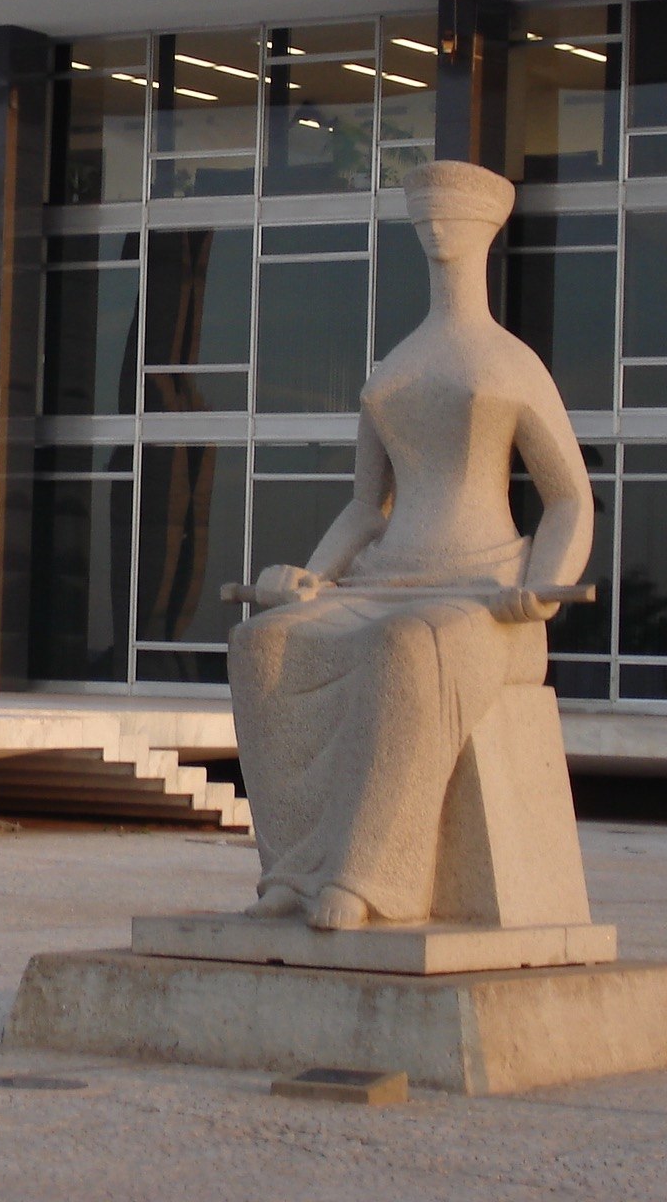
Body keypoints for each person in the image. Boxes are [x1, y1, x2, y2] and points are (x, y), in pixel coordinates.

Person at [228, 160, 593, 930]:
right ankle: (292, 866)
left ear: (485, 230)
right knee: (263, 645)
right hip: (383, 581)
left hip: (485, 598)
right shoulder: (395, 365)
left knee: (407, 648)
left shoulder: (512, 362)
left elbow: (568, 497)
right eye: (425, 214)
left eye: (451, 214)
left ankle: (367, 875)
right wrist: (310, 576)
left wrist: (542, 587)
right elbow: (368, 506)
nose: (437, 226)